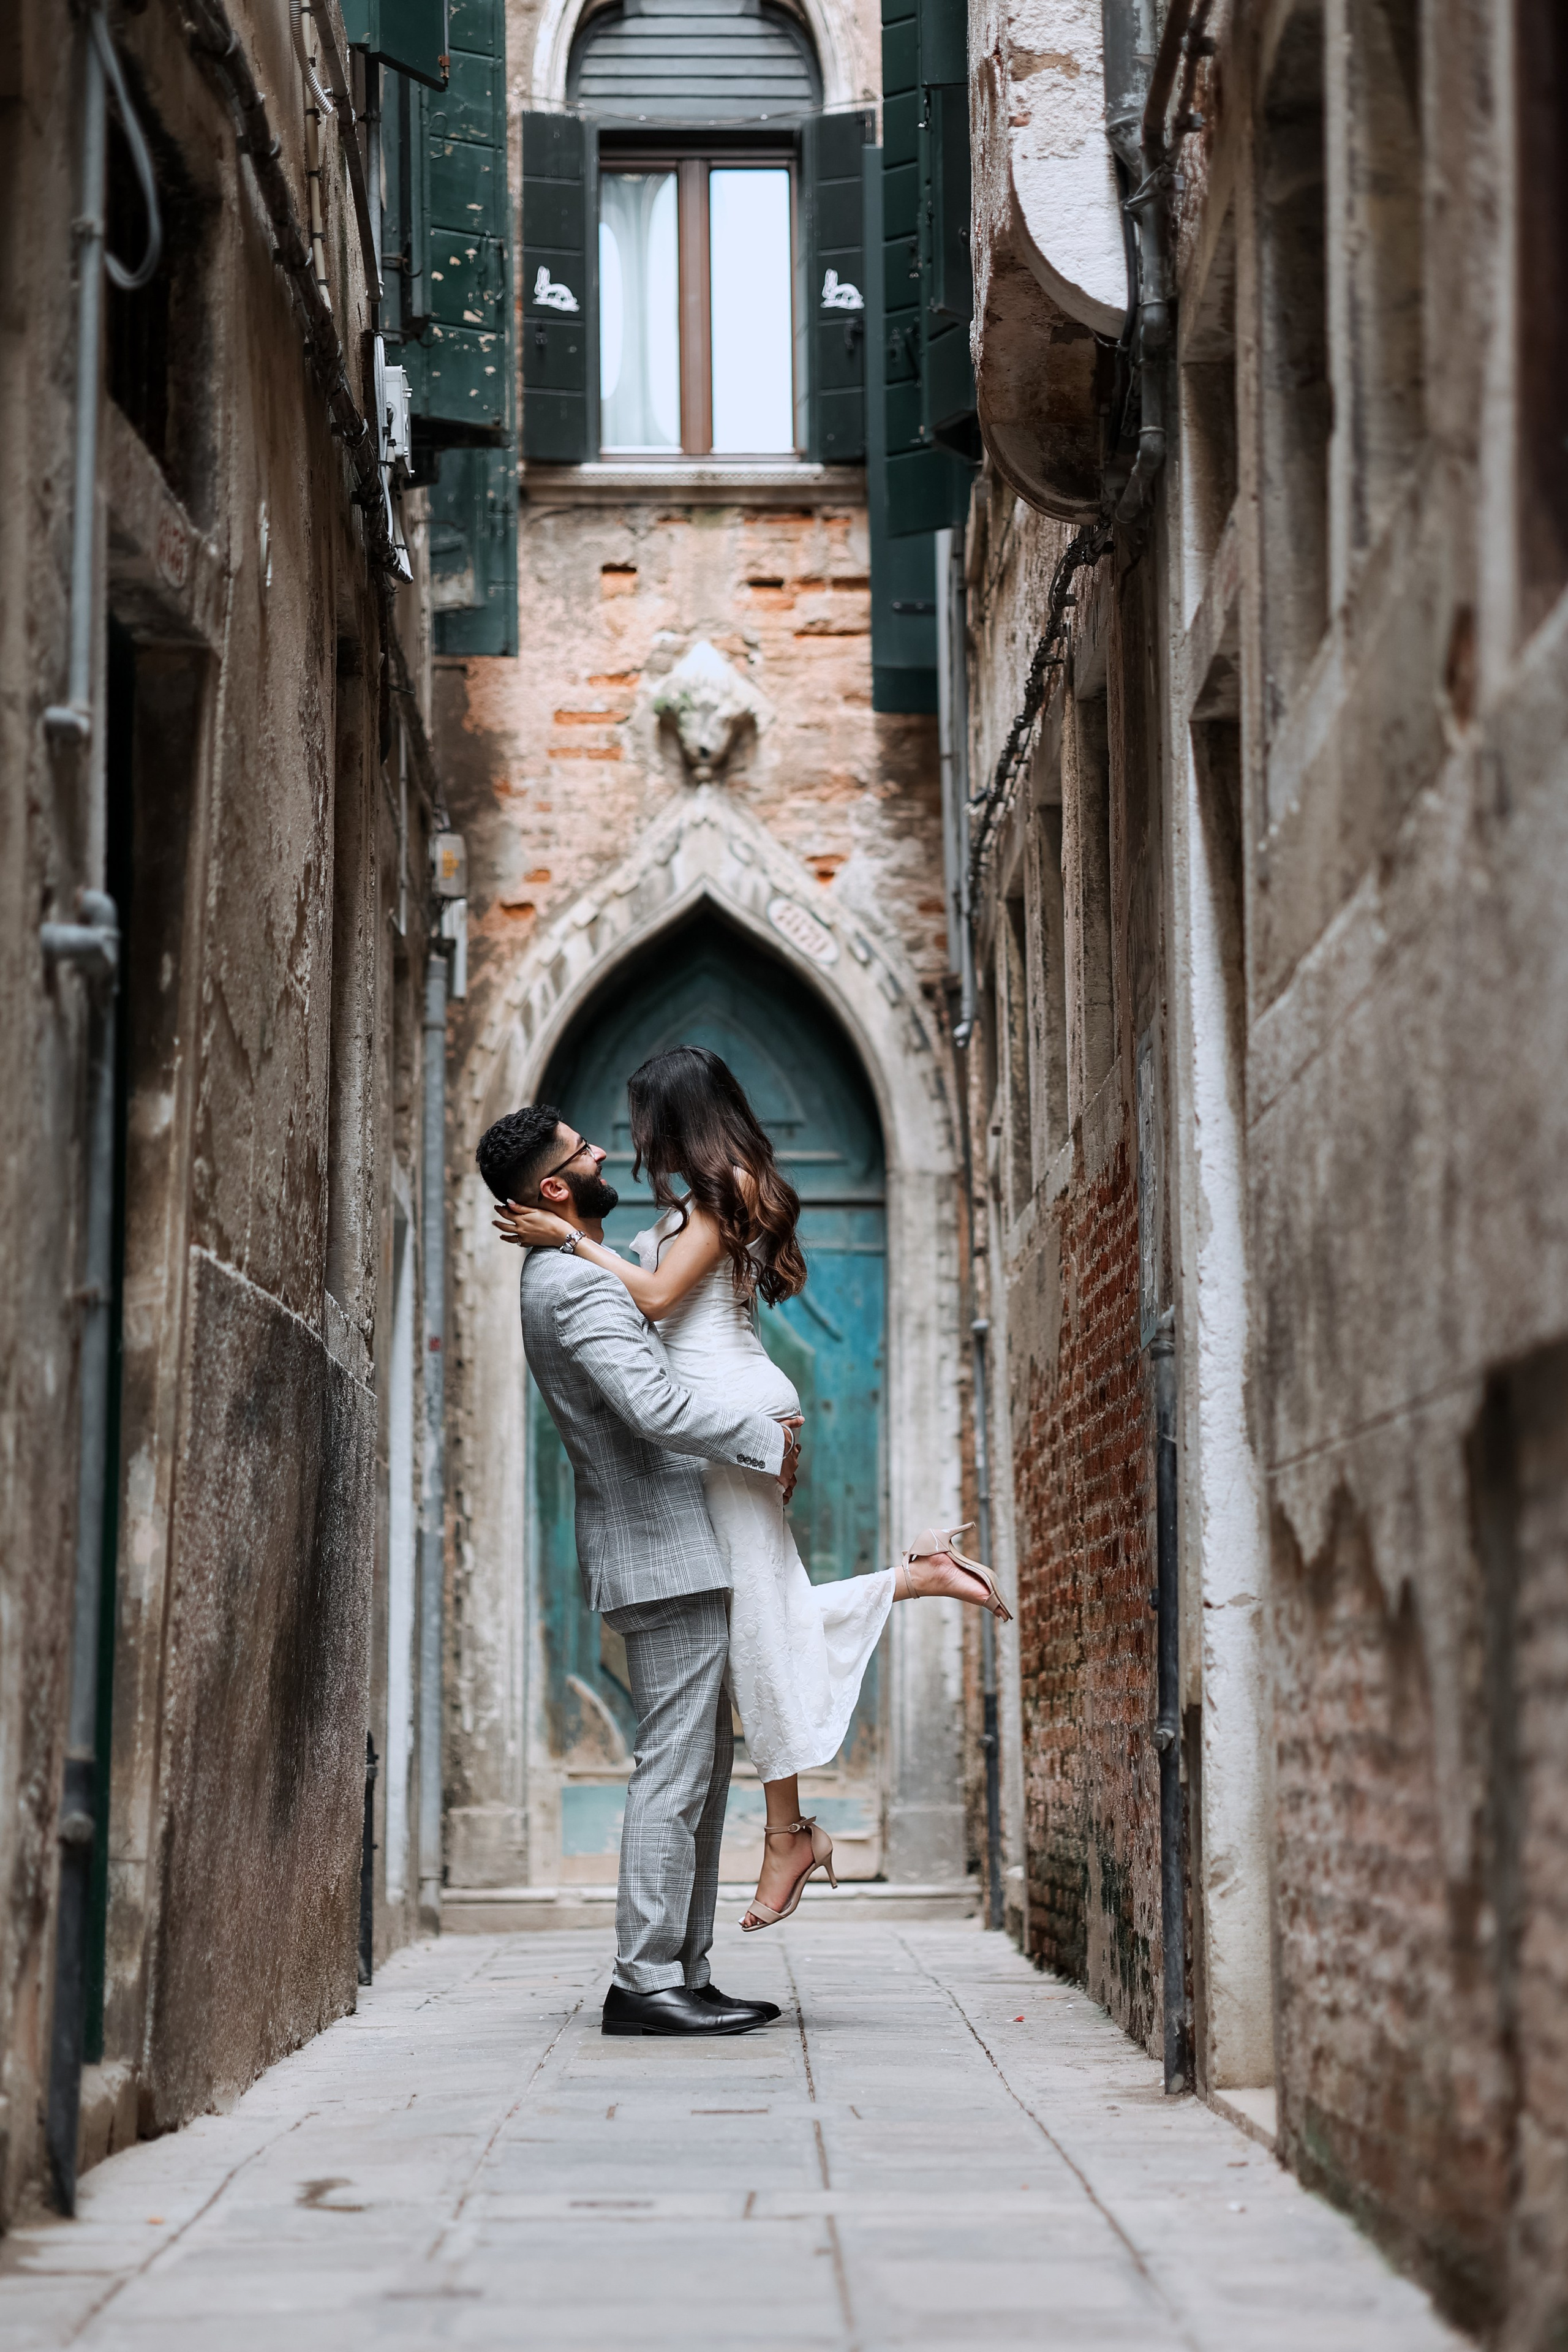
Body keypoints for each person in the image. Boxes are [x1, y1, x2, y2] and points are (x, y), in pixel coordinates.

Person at [491, 1046, 1010, 1936]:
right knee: (758, 1616)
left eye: (643, 1118)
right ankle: (908, 1594)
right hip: (728, 1409)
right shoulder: (698, 1199)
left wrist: (572, 1239)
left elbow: (653, 1303)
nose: (628, 1142)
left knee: (759, 1622)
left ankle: (787, 1832)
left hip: (726, 1412)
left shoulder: (723, 1189)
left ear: (676, 1118)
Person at [475, 1101, 799, 2038]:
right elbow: (654, 1406)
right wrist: (761, 1438)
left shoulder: (572, 1272)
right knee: (674, 1769)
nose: (604, 1150)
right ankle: (645, 1979)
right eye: (583, 1150)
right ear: (552, 1187)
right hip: (659, 1551)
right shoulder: (572, 1289)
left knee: (697, 1766)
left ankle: (681, 1972)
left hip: (672, 1549)